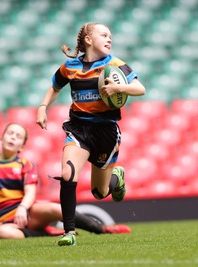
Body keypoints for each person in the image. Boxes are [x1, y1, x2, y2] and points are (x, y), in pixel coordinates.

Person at [36, 22, 146, 246]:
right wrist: (42, 107)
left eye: (110, 36)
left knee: (99, 192)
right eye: (104, 34)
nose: (109, 39)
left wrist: (119, 88)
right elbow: (55, 87)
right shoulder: (70, 66)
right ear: (88, 39)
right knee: (67, 175)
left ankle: (117, 178)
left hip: (106, 131)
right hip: (78, 129)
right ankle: (69, 232)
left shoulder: (115, 64)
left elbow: (140, 88)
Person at [0, 123, 131, 240]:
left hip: (28, 213)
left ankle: (102, 229)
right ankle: (46, 233)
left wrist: (23, 208)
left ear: (22, 146)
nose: (12, 137)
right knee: (1, 233)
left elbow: (30, 192)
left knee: (57, 209)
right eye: (10, 133)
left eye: (18, 136)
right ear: (2, 137)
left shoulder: (25, 164)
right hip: (5, 223)